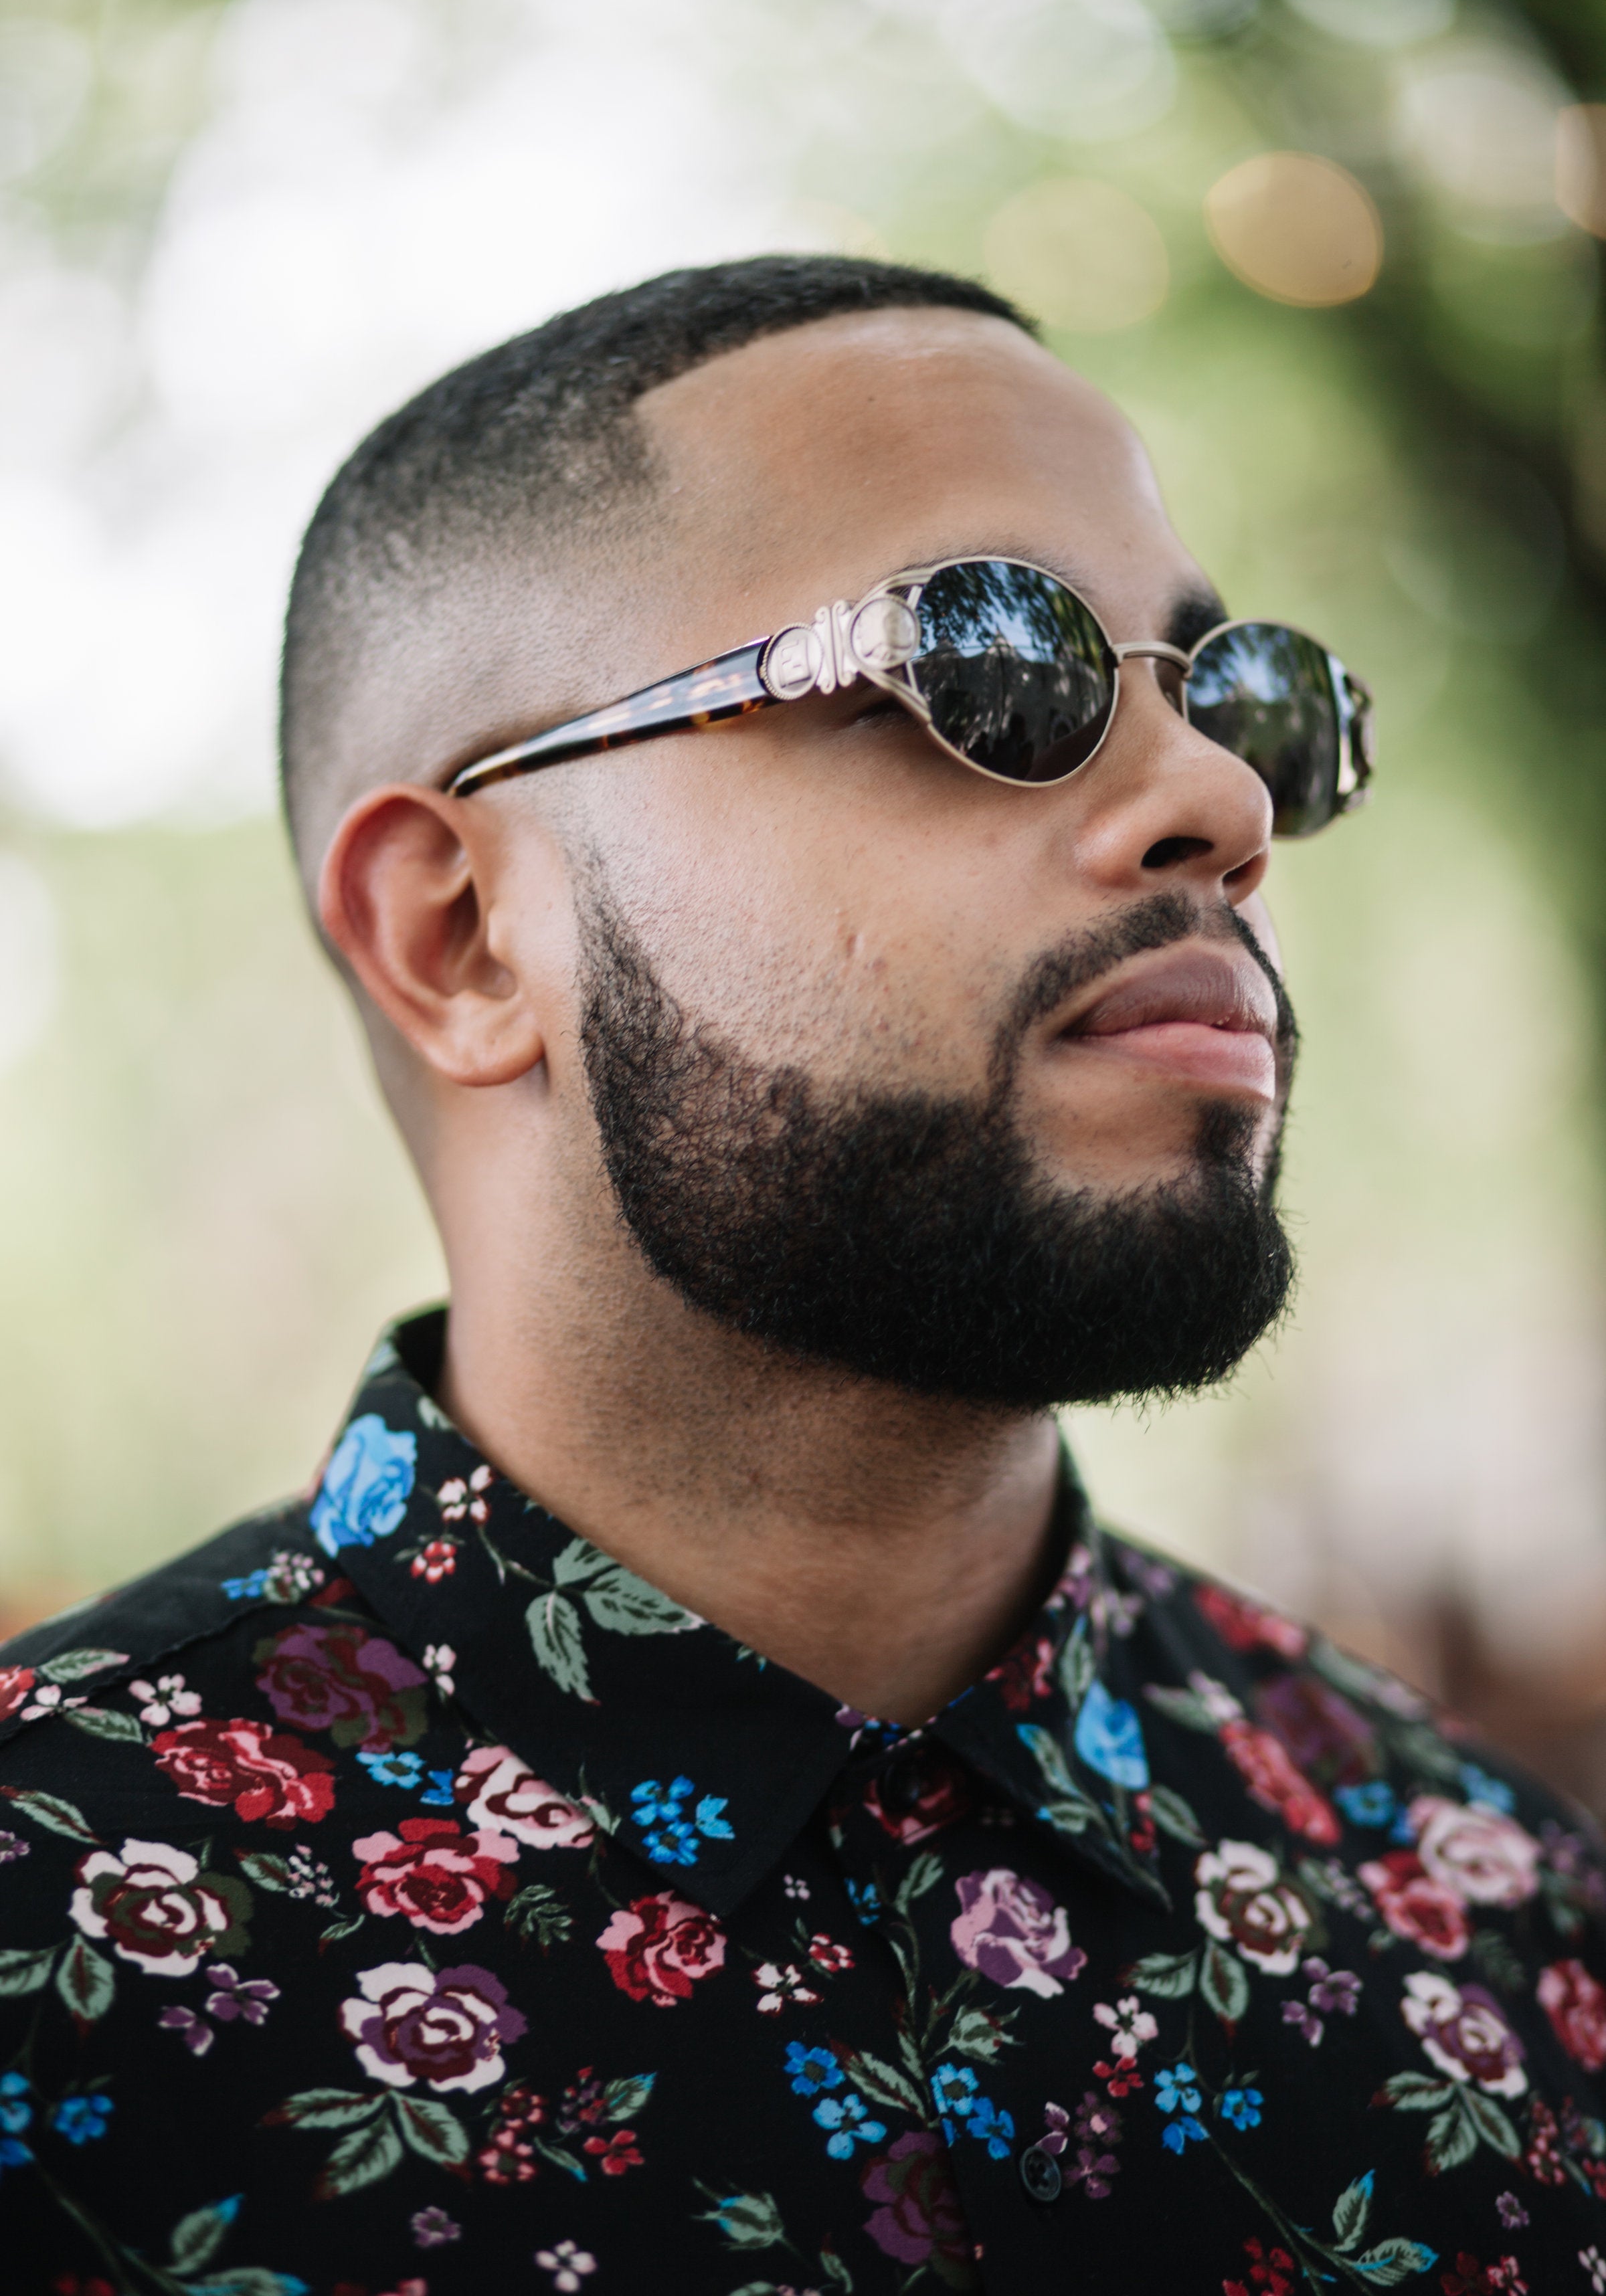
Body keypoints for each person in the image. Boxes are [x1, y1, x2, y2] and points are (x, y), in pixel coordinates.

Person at [0, 256, 1598, 2296]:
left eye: (1241, 696)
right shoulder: (55, 1962)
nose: (1219, 802)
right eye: (986, 664)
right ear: (466, 935)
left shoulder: (1497, 1917)